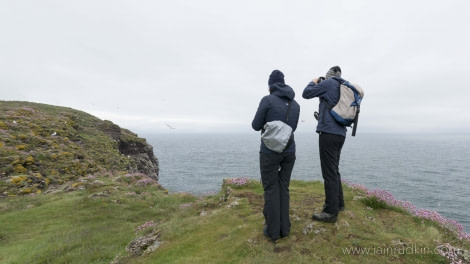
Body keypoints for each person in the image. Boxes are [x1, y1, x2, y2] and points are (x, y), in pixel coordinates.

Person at [252, 69, 300, 242]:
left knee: (271, 189)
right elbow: (292, 128)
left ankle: (273, 232)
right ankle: (284, 229)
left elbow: (256, 125)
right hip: (289, 151)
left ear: (270, 85)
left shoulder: (267, 100)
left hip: (269, 152)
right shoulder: (295, 105)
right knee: (283, 187)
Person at [302, 65, 346, 223]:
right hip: (341, 134)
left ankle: (330, 212)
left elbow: (306, 93)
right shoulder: (343, 85)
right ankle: (339, 204)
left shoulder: (329, 84)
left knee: (328, 172)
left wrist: (313, 81)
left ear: (328, 76)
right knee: (334, 169)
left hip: (328, 133)